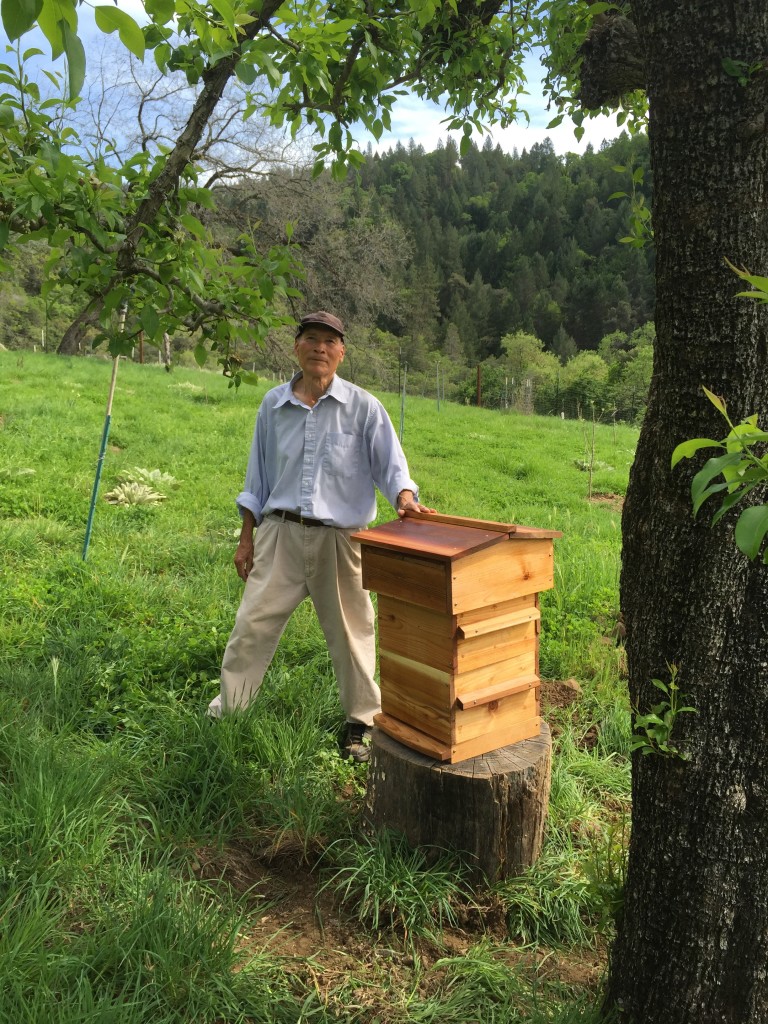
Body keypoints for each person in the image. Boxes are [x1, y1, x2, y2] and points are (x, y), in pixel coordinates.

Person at [208, 311, 435, 762]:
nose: (320, 348)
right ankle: (229, 711)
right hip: (280, 535)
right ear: (296, 347)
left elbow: (393, 467)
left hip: (341, 540)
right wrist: (246, 537)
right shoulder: (273, 406)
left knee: (353, 633)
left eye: (330, 341)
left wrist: (405, 498)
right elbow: (258, 478)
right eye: (311, 339)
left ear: (342, 353)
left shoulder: (364, 407)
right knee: (251, 624)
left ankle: (362, 723)